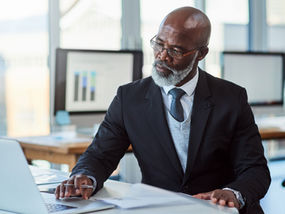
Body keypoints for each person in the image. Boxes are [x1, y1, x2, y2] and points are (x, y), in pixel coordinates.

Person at [55, 7, 270, 214]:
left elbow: (255, 170)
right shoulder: (128, 98)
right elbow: (100, 155)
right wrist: (85, 177)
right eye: (158, 44)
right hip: (159, 208)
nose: (162, 56)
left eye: (175, 50)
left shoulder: (231, 98)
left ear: (201, 54)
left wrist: (233, 194)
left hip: (218, 210)